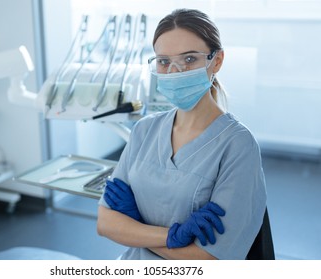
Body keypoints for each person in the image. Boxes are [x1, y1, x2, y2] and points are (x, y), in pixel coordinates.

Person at [97, 8, 267, 260]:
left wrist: (136, 227)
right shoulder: (144, 130)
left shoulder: (237, 146)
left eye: (189, 59)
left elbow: (211, 259)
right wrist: (172, 236)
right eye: (164, 62)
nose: (175, 72)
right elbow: (106, 224)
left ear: (216, 61)